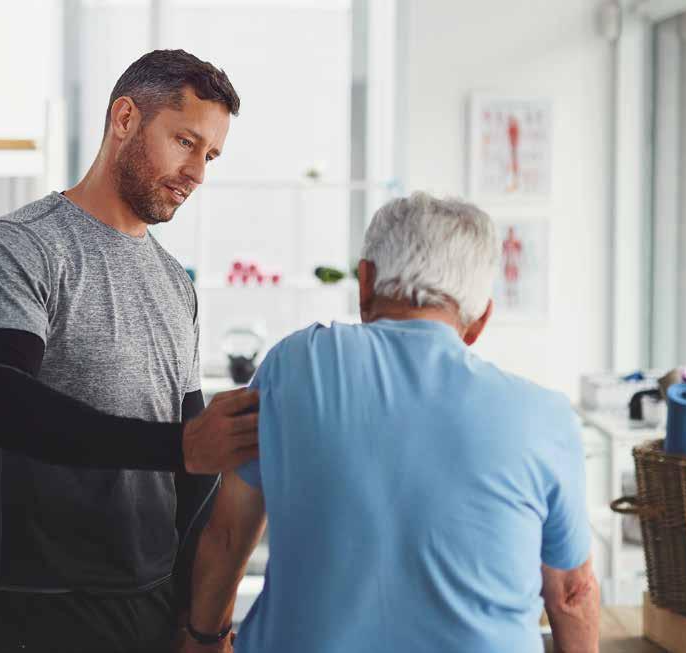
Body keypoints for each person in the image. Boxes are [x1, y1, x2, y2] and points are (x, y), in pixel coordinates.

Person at [180, 192, 599, 653]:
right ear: (480, 320)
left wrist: (205, 642)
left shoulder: (293, 365)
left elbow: (227, 535)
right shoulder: (547, 418)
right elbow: (571, 595)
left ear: (365, 282)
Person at [0, 49, 258, 653]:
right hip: (29, 609)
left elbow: (193, 477)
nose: (197, 172)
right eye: (185, 142)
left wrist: (201, 620)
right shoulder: (16, 247)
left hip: (150, 605)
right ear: (125, 119)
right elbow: (2, 408)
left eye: (210, 156)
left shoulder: (175, 284)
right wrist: (180, 445)